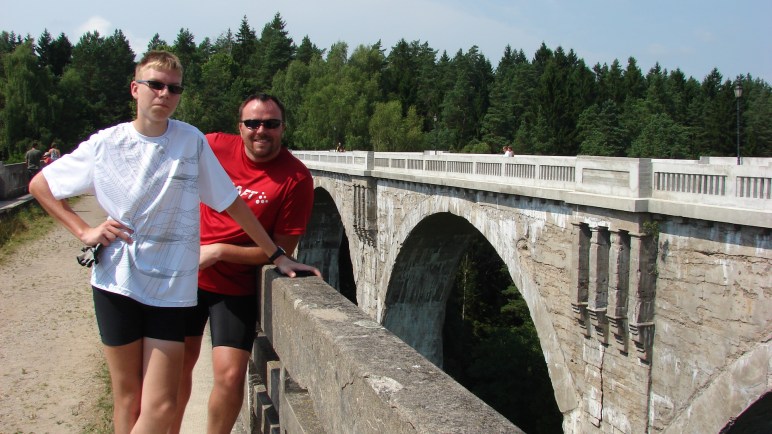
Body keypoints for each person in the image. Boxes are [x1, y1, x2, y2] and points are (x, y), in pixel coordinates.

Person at [28, 51, 320, 434]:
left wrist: (277, 255)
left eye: (174, 88)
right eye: (156, 85)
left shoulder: (191, 141)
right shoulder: (109, 143)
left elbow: (231, 202)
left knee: (162, 404)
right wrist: (84, 231)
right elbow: (41, 185)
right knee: (129, 398)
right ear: (135, 89)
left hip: (172, 288)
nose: (165, 94)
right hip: (120, 280)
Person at [170, 93, 315, 434]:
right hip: (187, 278)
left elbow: (279, 251)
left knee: (231, 375)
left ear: (282, 128)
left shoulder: (296, 178)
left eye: (271, 124)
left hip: (235, 288)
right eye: (252, 123)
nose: (261, 130)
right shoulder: (213, 146)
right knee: (177, 368)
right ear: (240, 127)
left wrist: (219, 251)